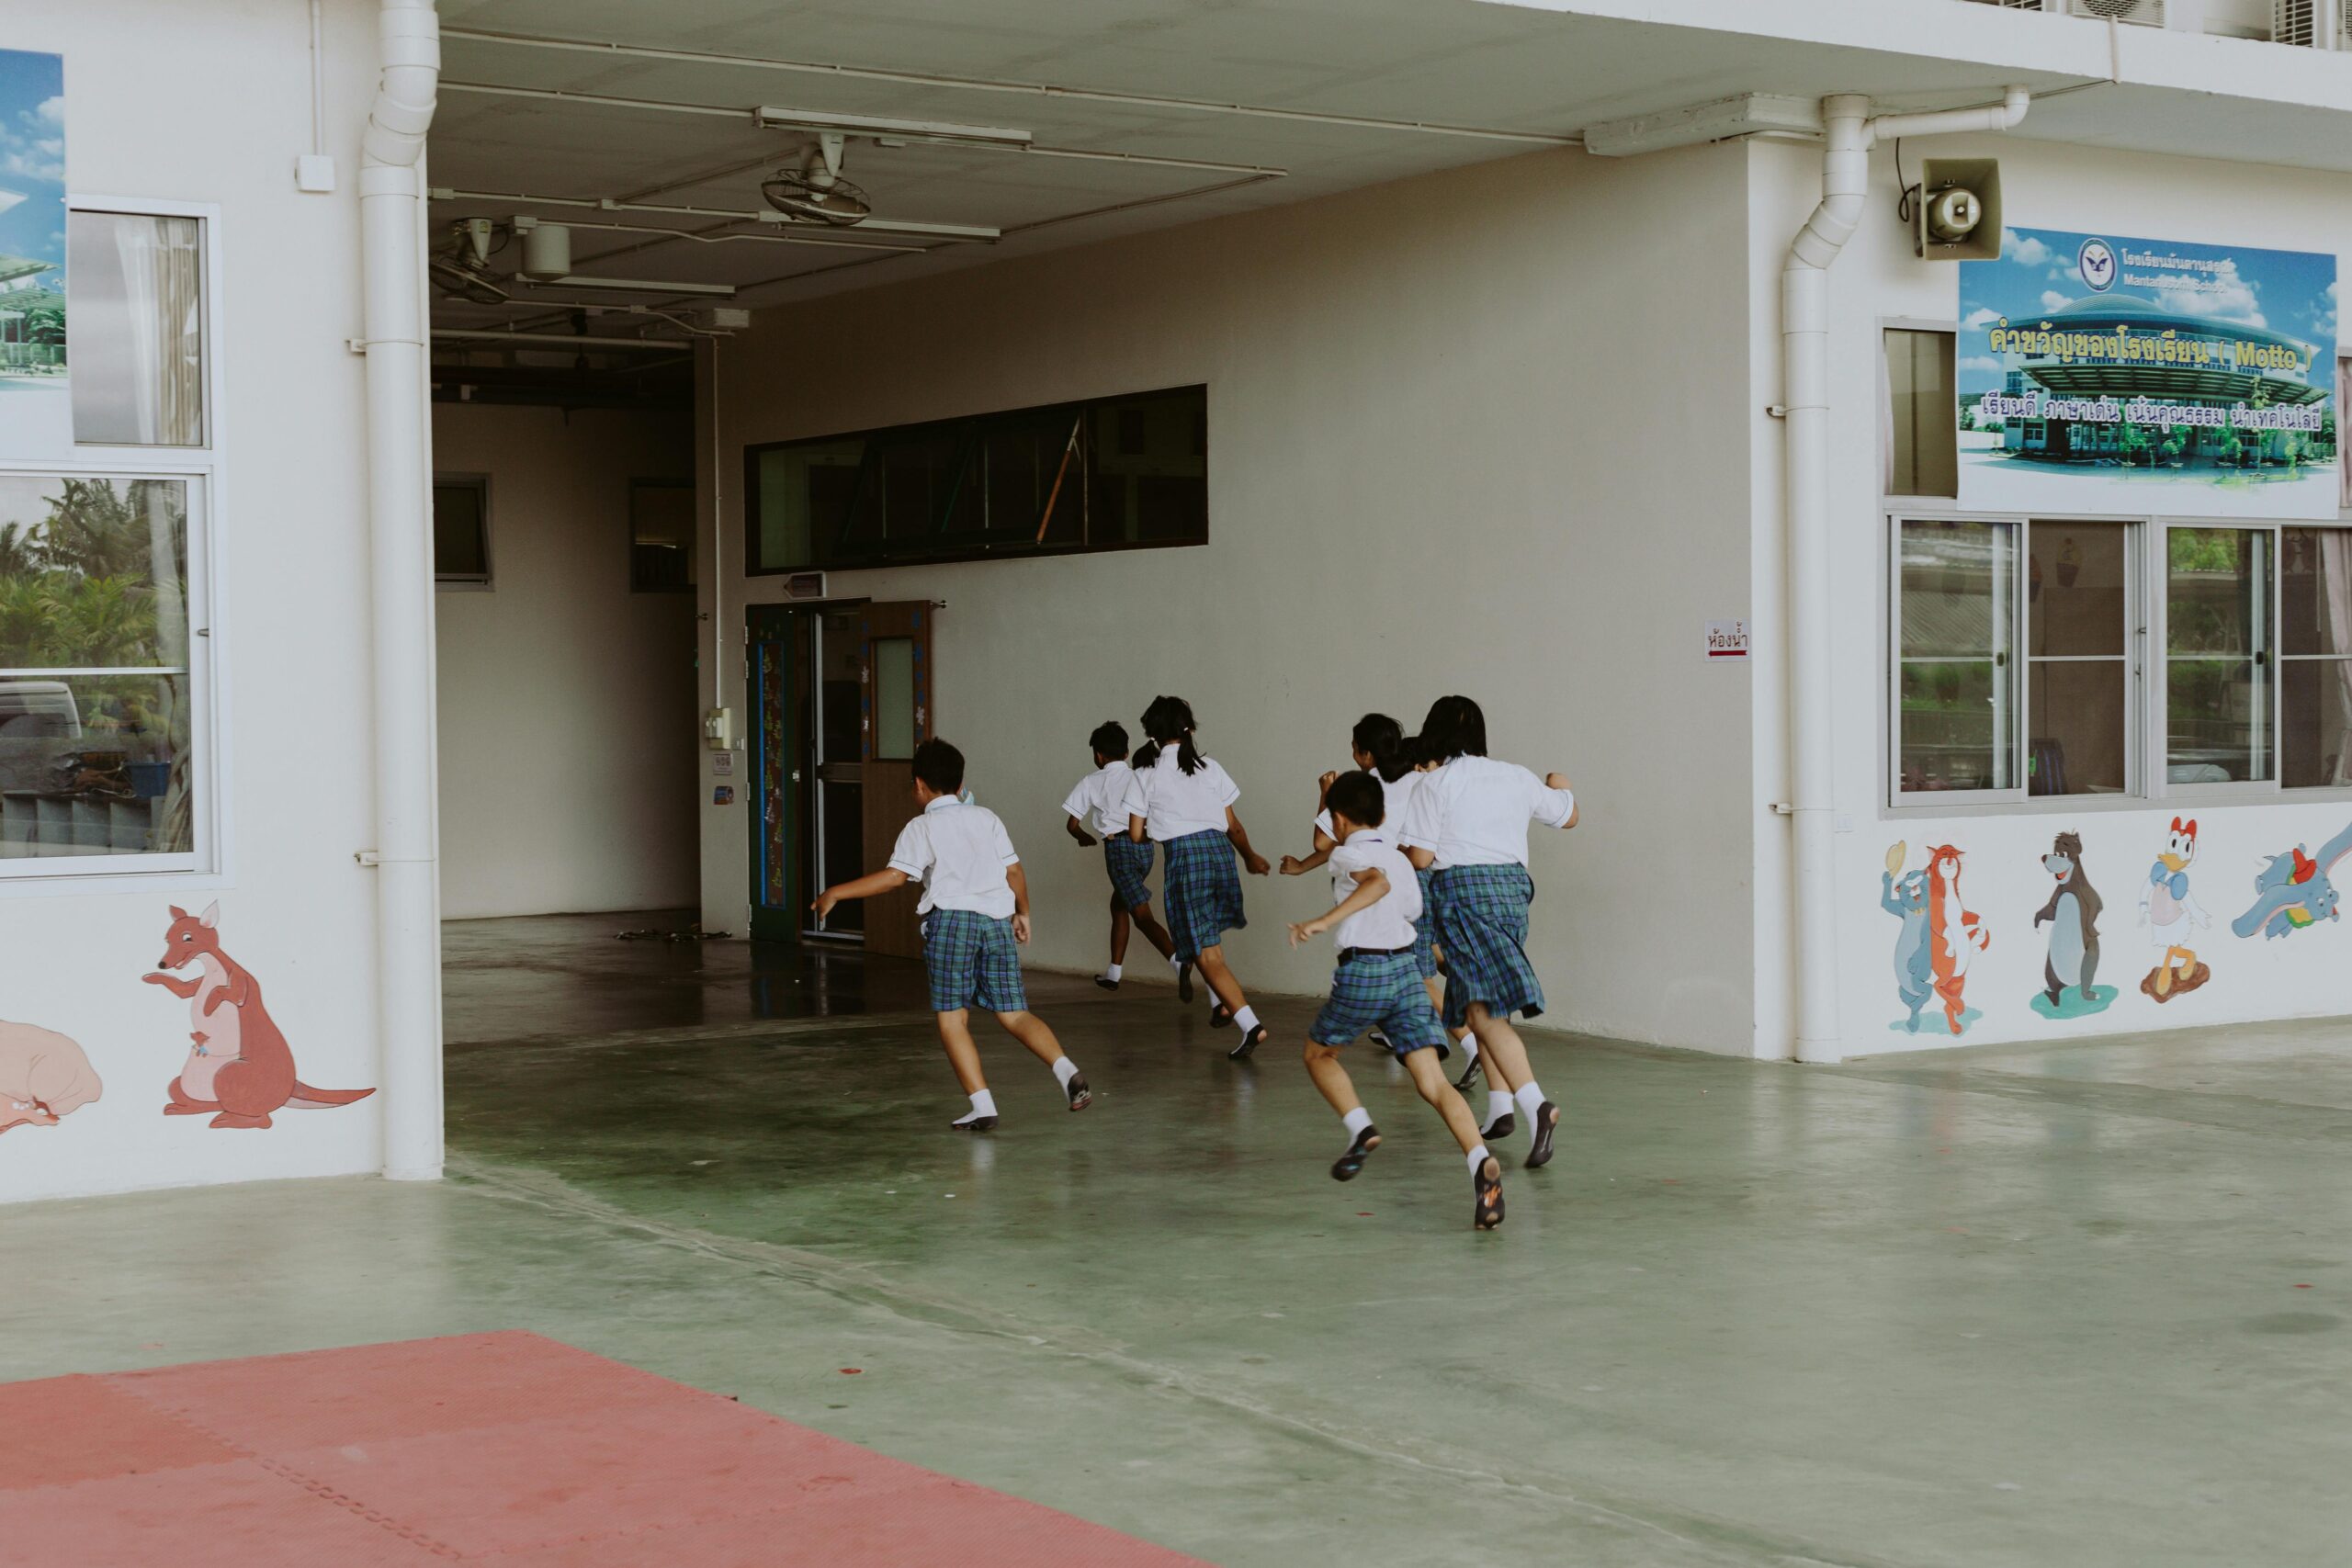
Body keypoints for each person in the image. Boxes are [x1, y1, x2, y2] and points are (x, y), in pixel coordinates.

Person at [813, 738, 1090, 1132]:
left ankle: (982, 1105)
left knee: (952, 1020)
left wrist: (836, 891)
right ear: (961, 786)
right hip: (996, 922)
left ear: (920, 786)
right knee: (1014, 1013)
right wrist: (1022, 912)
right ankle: (1067, 1070)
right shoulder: (987, 818)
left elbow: (895, 878)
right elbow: (1014, 872)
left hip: (953, 923)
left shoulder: (922, 826)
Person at [1289, 770, 1504, 1231]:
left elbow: (1376, 885)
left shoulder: (1347, 853)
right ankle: (1480, 1162)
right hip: (1407, 971)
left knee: (1318, 1054)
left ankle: (1361, 1128)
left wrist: (1325, 921)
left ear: (1339, 820)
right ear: (1383, 815)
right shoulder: (1404, 860)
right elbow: (1408, 908)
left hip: (1365, 970)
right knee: (1433, 1083)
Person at [1398, 695, 1577, 1168]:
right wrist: (1560, 783)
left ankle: (1536, 1105)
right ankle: (1501, 1108)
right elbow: (1568, 814)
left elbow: (1419, 858)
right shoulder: (1517, 776)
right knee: (1488, 1006)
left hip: (1463, 896)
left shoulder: (1434, 784)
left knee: (1483, 1012)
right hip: (1513, 892)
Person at [1279, 716, 1478, 1075]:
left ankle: (1472, 1043)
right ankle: (1411, 1027)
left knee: (1418, 975)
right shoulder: (1421, 778)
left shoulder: (1364, 786)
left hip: (1389, 883)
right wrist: (1301, 867)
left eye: (1355, 750)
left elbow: (1331, 840)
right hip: (1429, 875)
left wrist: (1325, 792)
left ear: (1366, 753)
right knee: (1425, 958)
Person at [1123, 694, 1273, 1059]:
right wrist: (1251, 857)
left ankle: (1251, 1025)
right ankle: (1220, 1003)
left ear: (1152, 734)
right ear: (1188, 728)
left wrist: (1158, 824)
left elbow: (1136, 834)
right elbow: (1233, 826)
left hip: (1185, 857)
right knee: (1209, 945)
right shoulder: (1210, 767)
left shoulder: (1145, 774)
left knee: (1206, 955)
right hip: (1221, 854)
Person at [1062, 720, 1190, 998]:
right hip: (1144, 849)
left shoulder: (1092, 781)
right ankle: (1113, 972)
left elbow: (1072, 824)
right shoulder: (1139, 775)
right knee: (1119, 905)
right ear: (1126, 752)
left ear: (1098, 755)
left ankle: (1179, 962)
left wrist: (1082, 836)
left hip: (1119, 850)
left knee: (1141, 916)